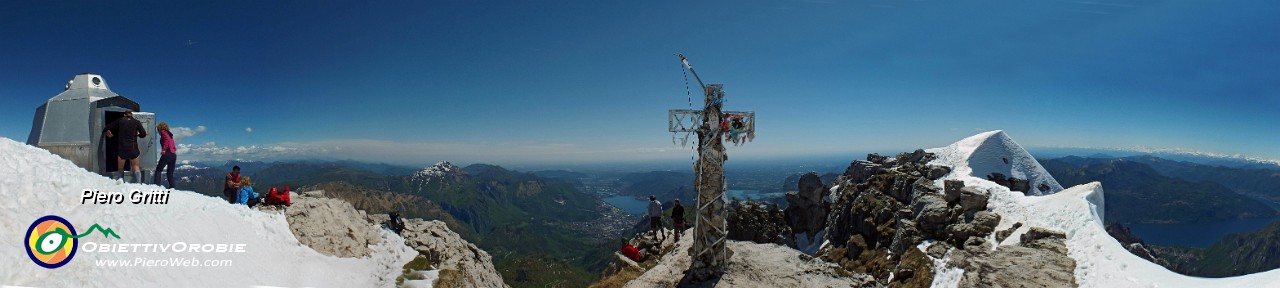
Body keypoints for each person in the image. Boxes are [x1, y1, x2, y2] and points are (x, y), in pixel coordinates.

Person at [103, 111, 147, 182]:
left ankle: (121, 182)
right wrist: (138, 135)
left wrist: (108, 133)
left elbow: (108, 127)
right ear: (131, 115)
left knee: (120, 168)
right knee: (136, 167)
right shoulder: (137, 122)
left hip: (122, 148)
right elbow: (143, 134)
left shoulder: (120, 121)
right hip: (133, 148)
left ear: (124, 115)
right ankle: (139, 183)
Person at [152, 122, 177, 189]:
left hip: (167, 154)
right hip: (173, 155)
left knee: (158, 170)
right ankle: (172, 187)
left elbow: (167, 140)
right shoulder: (170, 134)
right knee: (170, 173)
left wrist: (164, 150)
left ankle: (156, 186)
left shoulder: (163, 132)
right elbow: (172, 144)